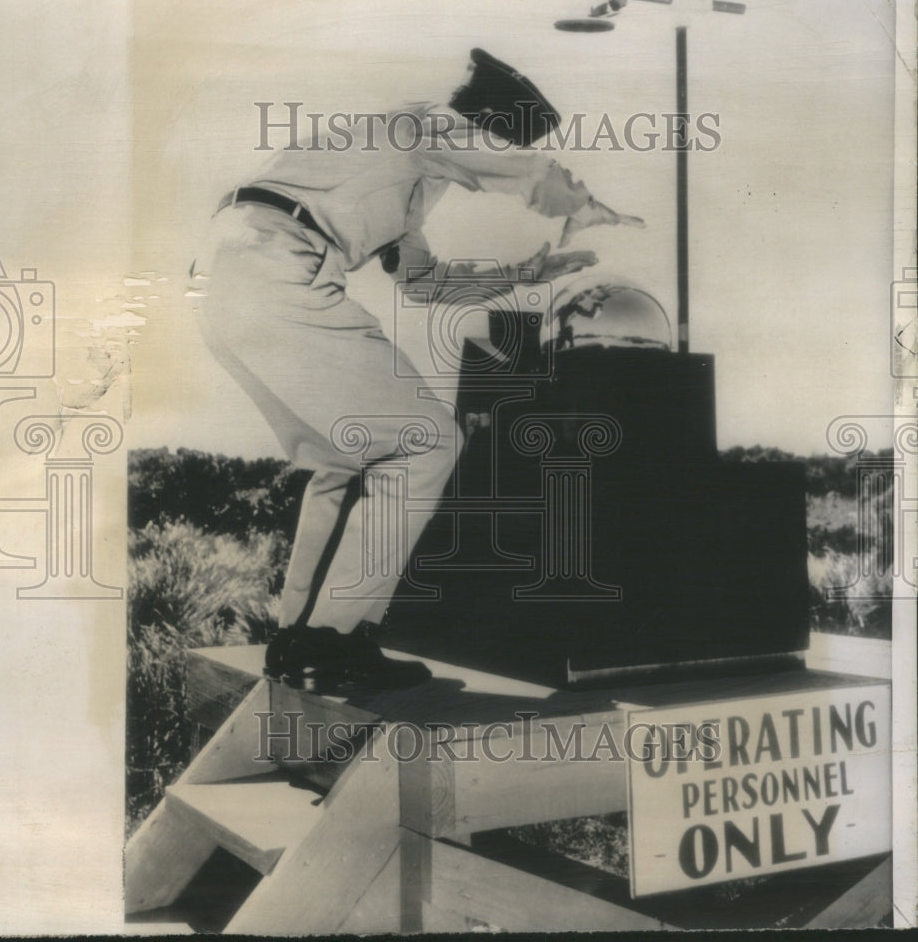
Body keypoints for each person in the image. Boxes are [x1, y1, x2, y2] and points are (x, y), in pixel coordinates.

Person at [195, 48, 644, 692]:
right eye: (503, 137)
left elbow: (424, 282)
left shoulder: (406, 167)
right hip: (276, 271)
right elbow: (527, 174)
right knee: (428, 440)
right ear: (485, 126)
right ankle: (332, 639)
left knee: (346, 457)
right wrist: (584, 204)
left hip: (234, 280)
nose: (487, 158)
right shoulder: (421, 126)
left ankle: (301, 639)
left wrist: (526, 273)